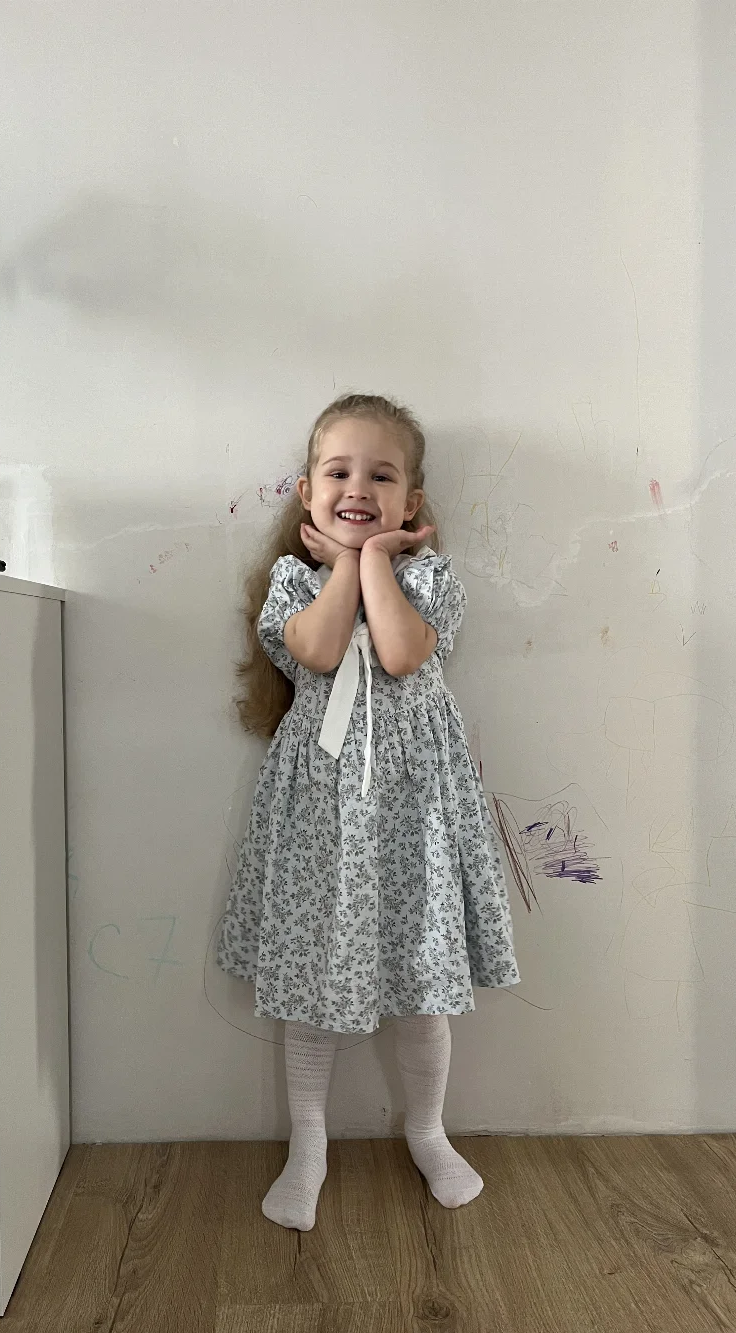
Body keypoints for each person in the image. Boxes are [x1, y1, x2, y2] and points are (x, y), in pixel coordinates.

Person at [217, 393, 521, 1231]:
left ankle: (427, 1129)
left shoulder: (428, 579)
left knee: (424, 983)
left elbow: (400, 651)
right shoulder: (295, 581)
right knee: (314, 979)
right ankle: (308, 1142)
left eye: (381, 476)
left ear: (411, 500)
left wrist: (377, 557)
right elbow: (317, 650)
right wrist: (346, 564)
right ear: (307, 491)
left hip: (414, 809)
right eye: (339, 472)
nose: (358, 488)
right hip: (322, 813)